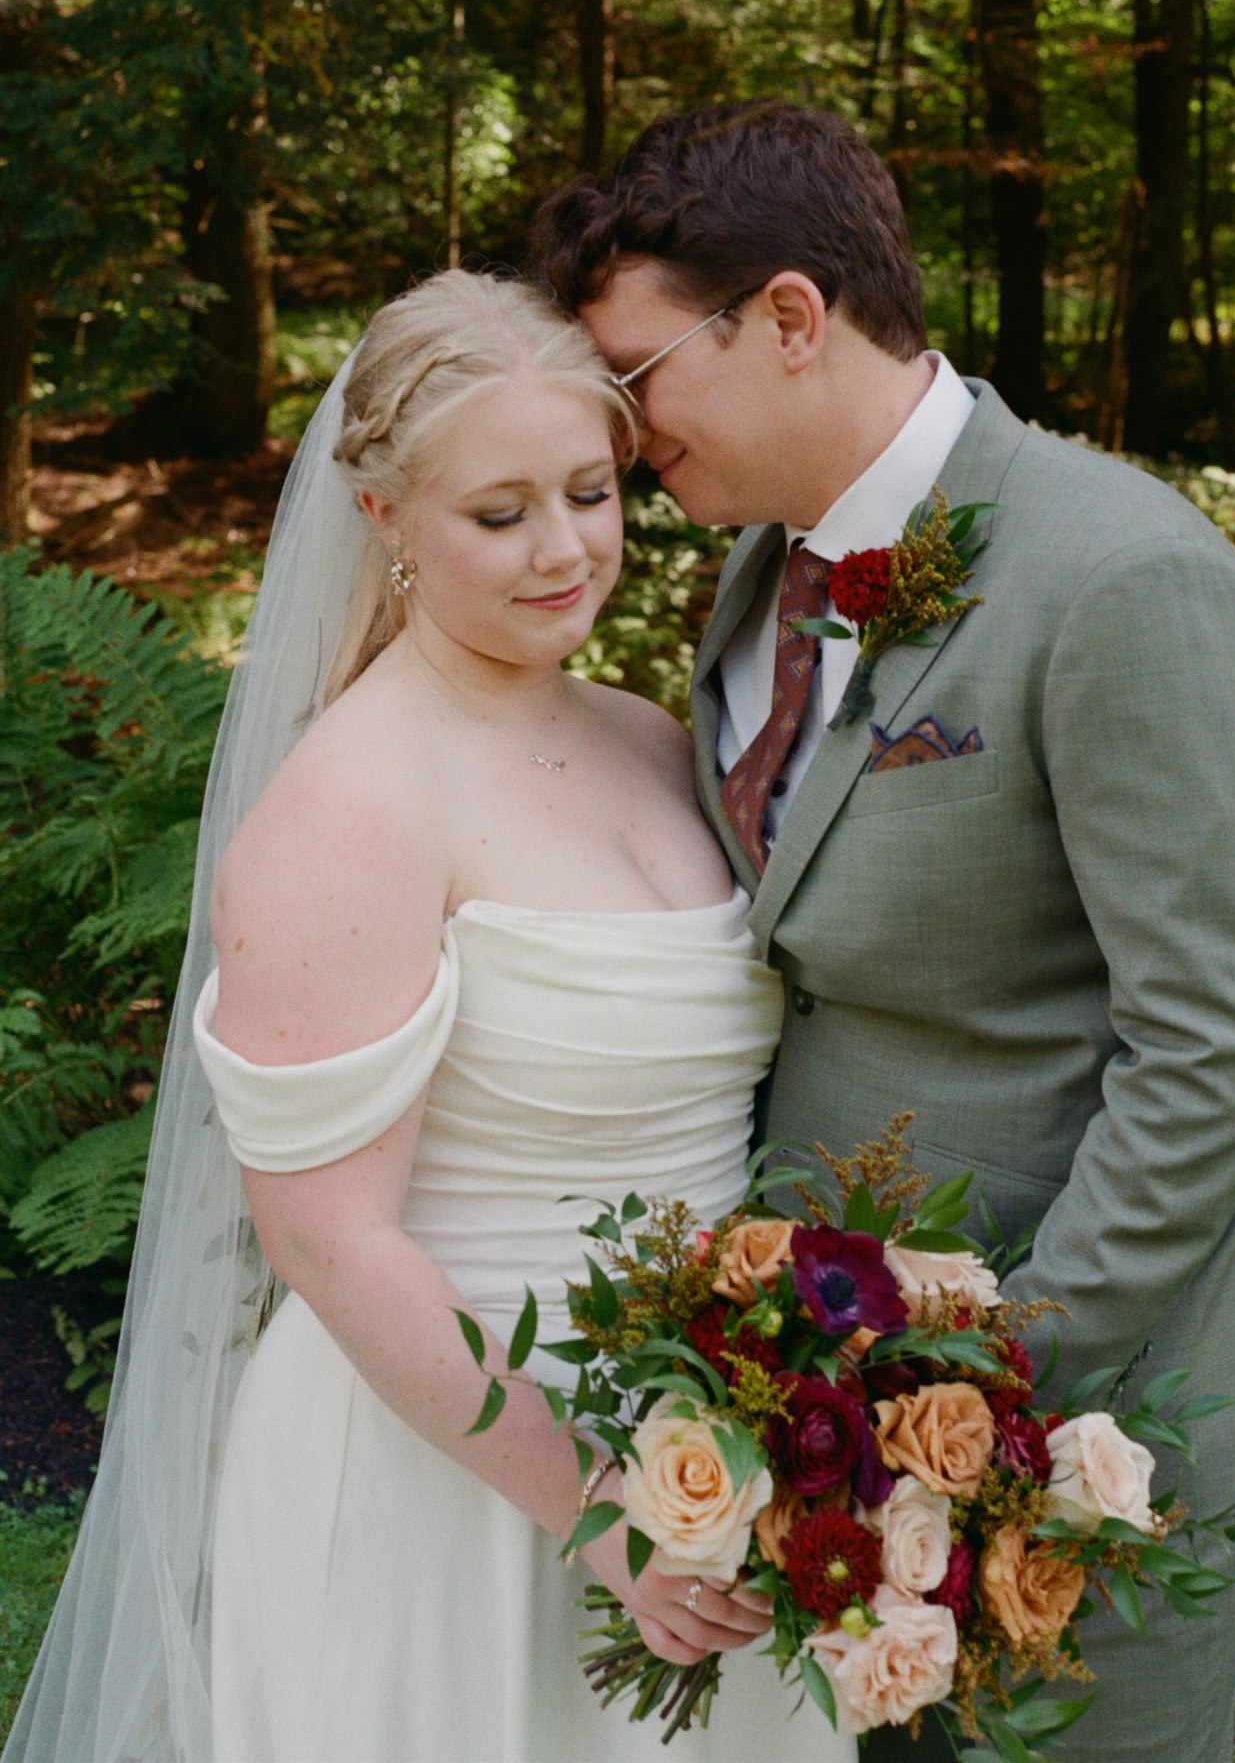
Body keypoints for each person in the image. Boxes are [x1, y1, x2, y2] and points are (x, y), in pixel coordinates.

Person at [532, 98, 1235, 1763]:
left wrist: (981, 1382)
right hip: (811, 1392)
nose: (617, 425)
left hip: (1087, 1413)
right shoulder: (756, 572)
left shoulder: (1124, 581)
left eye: (636, 370)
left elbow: (1217, 1051)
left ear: (792, 319)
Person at [4, 270, 851, 1763]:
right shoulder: (351, 807)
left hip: (706, 1446)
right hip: (451, 1475)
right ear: (386, 518)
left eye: (589, 491)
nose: (564, 549)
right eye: (498, 511)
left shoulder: (651, 739)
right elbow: (332, 1237)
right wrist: (597, 1511)